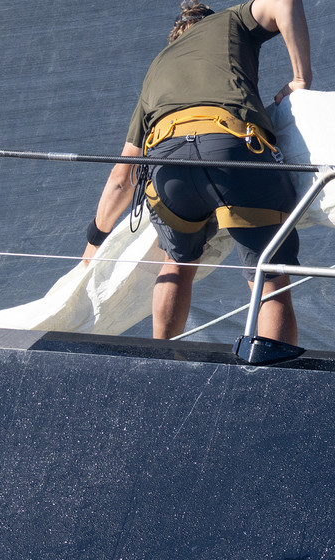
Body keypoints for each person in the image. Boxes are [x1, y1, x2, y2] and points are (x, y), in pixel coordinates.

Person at [82, 0, 311, 344]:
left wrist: (92, 247)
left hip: (169, 168)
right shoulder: (231, 22)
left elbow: (121, 177)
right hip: (231, 150)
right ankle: (275, 379)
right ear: (209, 21)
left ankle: (163, 356)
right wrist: (300, 78)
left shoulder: (156, 67)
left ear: (175, 37)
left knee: (177, 262)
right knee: (268, 276)